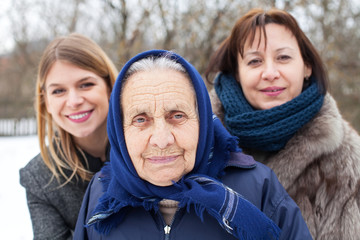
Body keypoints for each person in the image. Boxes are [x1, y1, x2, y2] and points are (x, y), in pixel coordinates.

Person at [74, 49, 312, 239]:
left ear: (203, 122)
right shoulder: (101, 193)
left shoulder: (258, 187)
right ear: (120, 130)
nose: (161, 139)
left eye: (177, 116)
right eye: (140, 119)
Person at [205, 8, 360, 240]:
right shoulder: (198, 147)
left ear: (306, 66)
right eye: (255, 61)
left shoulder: (350, 162)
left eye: (283, 57)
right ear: (237, 72)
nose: (270, 72)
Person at [19, 33, 118, 239]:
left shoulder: (153, 149)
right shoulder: (40, 179)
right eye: (58, 91)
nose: (73, 101)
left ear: (109, 87)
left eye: (86, 84)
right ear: (45, 100)